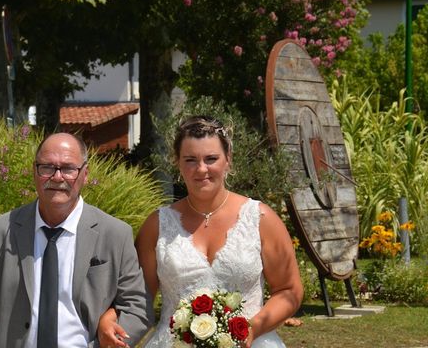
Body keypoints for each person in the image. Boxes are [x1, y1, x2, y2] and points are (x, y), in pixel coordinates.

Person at [99, 115, 303, 348]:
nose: (201, 169)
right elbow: (138, 297)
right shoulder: (157, 225)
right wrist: (111, 315)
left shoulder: (260, 219)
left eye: (211, 158)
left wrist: (250, 329)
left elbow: (289, 290)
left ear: (228, 160)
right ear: (177, 162)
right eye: (190, 160)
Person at [0, 132, 151, 348]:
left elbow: (138, 307)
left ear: (85, 173)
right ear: (35, 171)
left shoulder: (115, 234)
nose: (57, 177)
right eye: (47, 167)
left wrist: (111, 338)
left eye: (68, 168)